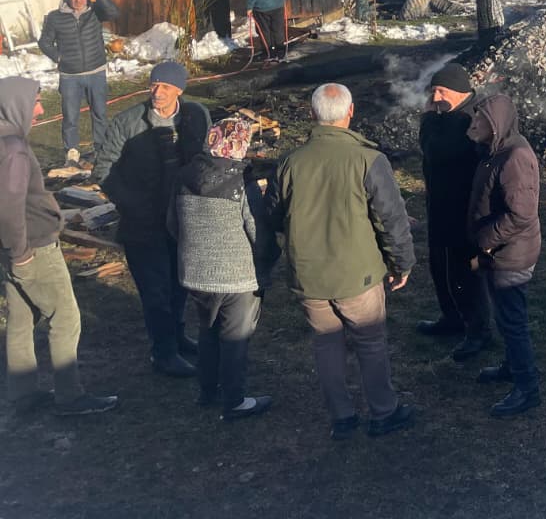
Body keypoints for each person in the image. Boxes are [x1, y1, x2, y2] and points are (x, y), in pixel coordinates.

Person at [264, 83, 417, 439]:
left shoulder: (290, 162)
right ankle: (383, 412)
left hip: (309, 276)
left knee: (325, 343)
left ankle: (342, 417)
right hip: (357, 275)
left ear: (312, 114)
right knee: (370, 342)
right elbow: (391, 219)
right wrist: (402, 263)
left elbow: (272, 215)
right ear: (350, 113)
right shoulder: (368, 159)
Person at [0, 76, 119, 415]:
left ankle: (21, 393)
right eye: (35, 102)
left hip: (11, 249)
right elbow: (9, 208)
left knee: (22, 319)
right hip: (32, 249)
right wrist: (21, 254)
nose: (39, 110)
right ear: (15, 105)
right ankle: (70, 396)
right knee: (65, 317)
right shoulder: (14, 150)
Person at [96, 60, 210, 376]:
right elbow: (103, 169)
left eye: (165, 86)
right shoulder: (127, 122)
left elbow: (204, 157)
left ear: (179, 90)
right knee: (155, 291)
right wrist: (131, 204)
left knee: (178, 285)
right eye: (154, 85)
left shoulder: (194, 116)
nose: (157, 91)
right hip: (142, 224)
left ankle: (176, 336)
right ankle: (163, 353)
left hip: (181, 218)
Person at [169, 117, 271, 420]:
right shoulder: (242, 182)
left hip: (196, 274)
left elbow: (171, 224)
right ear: (241, 145)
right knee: (234, 338)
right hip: (236, 276)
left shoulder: (183, 176)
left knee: (208, 331)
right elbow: (257, 231)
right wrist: (270, 260)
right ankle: (235, 400)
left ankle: (207, 391)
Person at [464, 85, 543, 417]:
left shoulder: (515, 158)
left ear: (495, 123)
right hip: (499, 251)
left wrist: (486, 240)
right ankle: (512, 367)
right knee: (506, 315)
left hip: (511, 253)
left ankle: (527, 388)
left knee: (512, 321)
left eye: (478, 119)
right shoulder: (496, 150)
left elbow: (520, 215)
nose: (472, 126)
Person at [416, 64, 494, 360]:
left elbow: (435, 151)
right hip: (440, 204)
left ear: (461, 92)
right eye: (433, 90)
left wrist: (426, 118)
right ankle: (451, 317)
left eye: (441, 91)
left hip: (463, 208)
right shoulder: (446, 115)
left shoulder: (467, 119)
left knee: (465, 271)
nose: (435, 96)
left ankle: (477, 330)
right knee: (440, 265)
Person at [37, 0, 119, 166]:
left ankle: (100, 150)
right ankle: (71, 153)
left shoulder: (96, 12)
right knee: (70, 116)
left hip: (96, 72)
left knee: (99, 113)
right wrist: (58, 57)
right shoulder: (55, 17)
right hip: (69, 77)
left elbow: (114, 13)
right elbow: (44, 42)